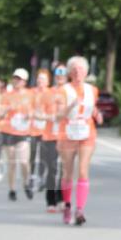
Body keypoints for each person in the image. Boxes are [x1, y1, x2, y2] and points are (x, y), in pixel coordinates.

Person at [55, 56, 102, 226]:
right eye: (74, 70)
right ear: (69, 73)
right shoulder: (63, 90)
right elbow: (58, 115)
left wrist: (98, 114)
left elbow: (91, 107)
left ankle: (80, 209)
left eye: (81, 69)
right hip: (67, 133)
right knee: (68, 172)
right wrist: (71, 105)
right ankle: (67, 205)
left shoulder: (92, 90)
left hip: (87, 132)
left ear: (86, 72)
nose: (77, 73)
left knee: (83, 171)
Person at [0, 68, 33, 201]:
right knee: (12, 163)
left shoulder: (30, 94)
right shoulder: (7, 95)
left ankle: (26, 183)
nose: (16, 81)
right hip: (8, 131)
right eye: (15, 78)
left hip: (23, 132)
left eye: (19, 79)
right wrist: (6, 109)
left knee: (24, 161)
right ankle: (12, 190)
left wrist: (29, 115)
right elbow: (0, 114)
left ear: (24, 81)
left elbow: (34, 111)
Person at [40, 65, 67, 212]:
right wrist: (48, 117)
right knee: (52, 169)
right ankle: (50, 201)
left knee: (64, 169)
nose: (60, 77)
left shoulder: (70, 92)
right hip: (49, 135)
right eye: (58, 74)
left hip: (65, 136)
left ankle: (62, 198)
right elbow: (38, 113)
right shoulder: (47, 93)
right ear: (54, 76)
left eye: (63, 74)